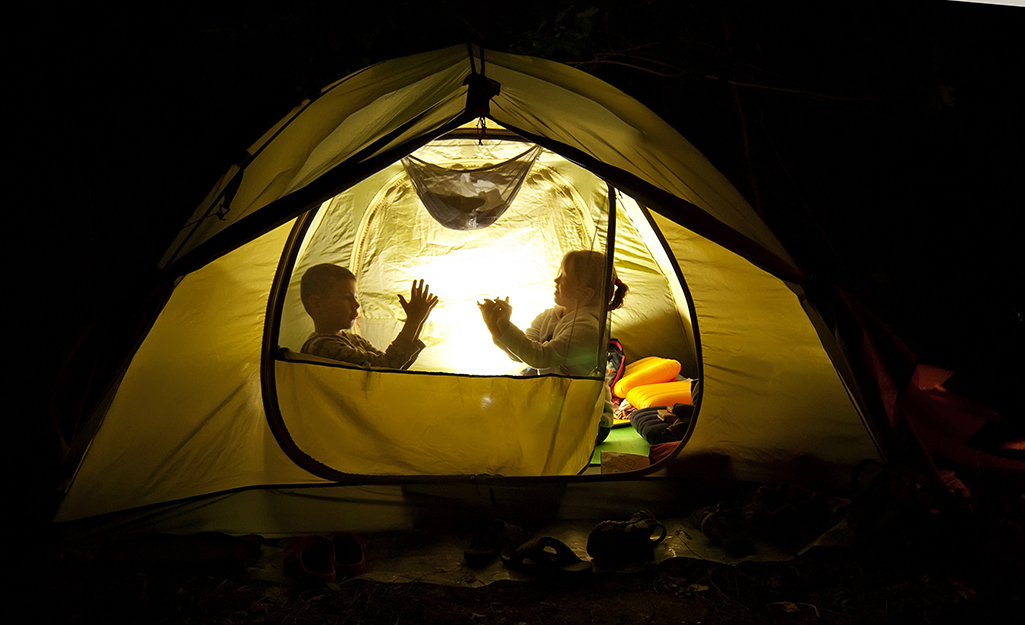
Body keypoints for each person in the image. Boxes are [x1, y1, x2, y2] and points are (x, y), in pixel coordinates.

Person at [478, 250, 628, 443]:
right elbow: (522, 354)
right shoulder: (549, 316)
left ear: (586, 293)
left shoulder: (588, 328)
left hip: (589, 421)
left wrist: (506, 326)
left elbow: (539, 357)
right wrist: (496, 329)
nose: (556, 280)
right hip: (556, 408)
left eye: (564, 277)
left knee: (507, 426)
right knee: (497, 412)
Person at [299, 263, 439, 370]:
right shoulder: (321, 346)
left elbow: (395, 362)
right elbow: (386, 367)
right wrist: (414, 322)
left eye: (355, 298)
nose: (356, 305)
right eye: (347, 298)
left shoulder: (354, 339)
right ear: (316, 303)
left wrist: (418, 321)